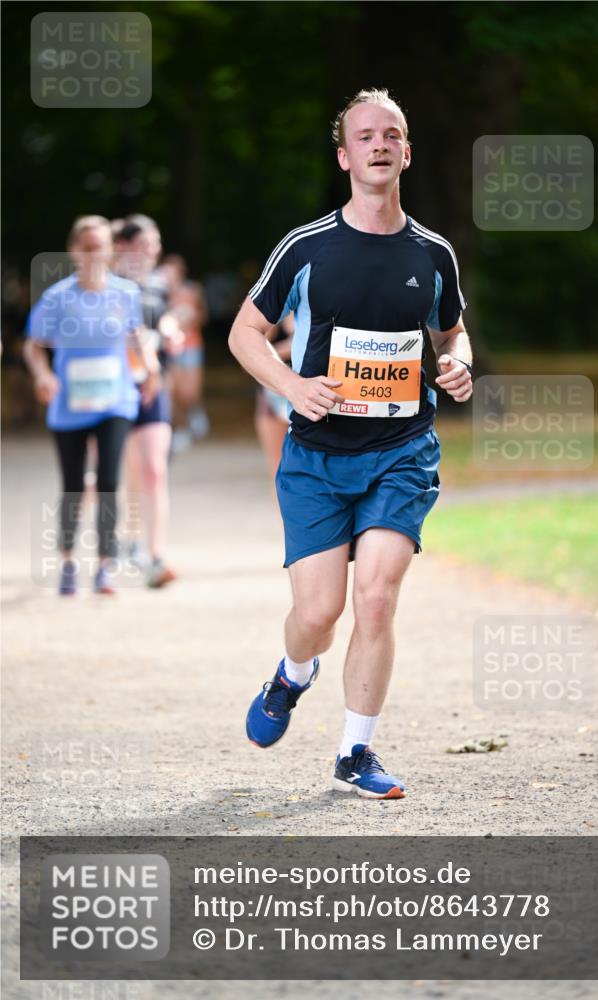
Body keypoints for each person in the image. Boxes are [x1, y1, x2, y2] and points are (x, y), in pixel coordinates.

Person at [229, 89, 473, 800]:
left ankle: (354, 752)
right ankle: (290, 673)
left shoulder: (432, 253)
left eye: (391, 134)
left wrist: (457, 358)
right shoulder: (306, 247)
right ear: (343, 155)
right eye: (364, 135)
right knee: (317, 614)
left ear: (406, 151)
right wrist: (289, 386)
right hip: (315, 456)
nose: (378, 144)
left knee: (375, 600)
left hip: (402, 451)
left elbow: (450, 328)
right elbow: (245, 333)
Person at [23, 215, 160, 595]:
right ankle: (67, 560)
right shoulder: (57, 297)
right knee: (71, 484)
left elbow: (137, 337)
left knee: (108, 482)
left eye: (100, 246)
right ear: (73, 251)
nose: (94, 253)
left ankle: (104, 566)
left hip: (114, 400)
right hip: (69, 404)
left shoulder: (125, 294)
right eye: (86, 247)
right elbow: (33, 345)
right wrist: (42, 375)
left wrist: (149, 367)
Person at [114, 217, 179, 588]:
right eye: (144, 244)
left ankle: (156, 557)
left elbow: (163, 315)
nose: (152, 251)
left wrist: (170, 328)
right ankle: (123, 543)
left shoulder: (158, 283)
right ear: (123, 246)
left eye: (156, 243)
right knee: (117, 474)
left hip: (153, 388)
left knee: (154, 469)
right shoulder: (107, 285)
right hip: (114, 390)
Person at [158, 253, 209, 454]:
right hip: (171, 348)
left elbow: (203, 316)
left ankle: (196, 414)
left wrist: (192, 318)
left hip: (192, 345)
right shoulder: (160, 292)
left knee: (190, 392)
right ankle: (182, 429)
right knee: (174, 392)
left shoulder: (193, 289)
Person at [254, 313, 294, 480]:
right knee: (277, 467)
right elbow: (252, 350)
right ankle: (277, 507)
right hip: (272, 392)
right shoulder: (272, 302)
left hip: (308, 392)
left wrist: (275, 354)